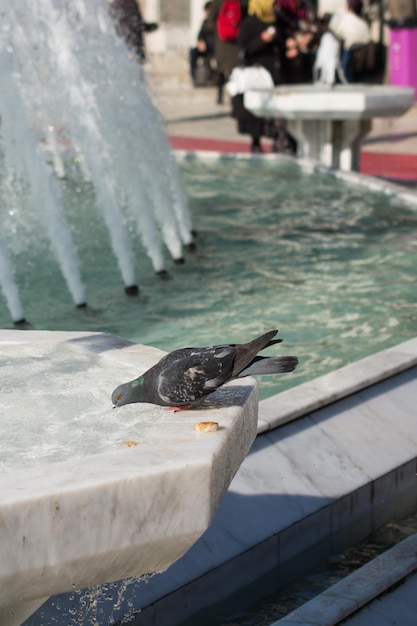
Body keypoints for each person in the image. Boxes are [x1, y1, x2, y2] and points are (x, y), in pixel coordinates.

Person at [230, 0, 296, 153]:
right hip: (259, 75)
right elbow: (244, 50)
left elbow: (284, 37)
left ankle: (280, 141)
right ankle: (256, 142)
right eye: (271, 5)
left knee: (279, 111)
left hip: (277, 73)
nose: (274, 8)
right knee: (257, 113)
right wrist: (261, 40)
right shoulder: (249, 24)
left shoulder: (278, 20)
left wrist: (290, 44)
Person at [209, 0, 248, 104]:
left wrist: (220, 29)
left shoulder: (217, 2)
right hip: (237, 39)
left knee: (221, 69)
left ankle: (220, 96)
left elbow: (211, 20)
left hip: (222, 39)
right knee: (235, 69)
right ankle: (235, 98)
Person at [328, 0, 370, 82]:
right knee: (349, 61)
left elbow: (336, 30)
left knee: (346, 63)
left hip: (351, 42)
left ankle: (348, 81)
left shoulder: (343, 16)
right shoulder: (358, 19)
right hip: (363, 41)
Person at [189, 2, 216, 86]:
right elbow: (200, 35)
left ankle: (212, 76)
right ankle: (194, 77)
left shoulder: (217, 21)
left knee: (209, 56)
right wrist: (201, 42)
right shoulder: (205, 22)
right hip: (205, 46)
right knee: (193, 52)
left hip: (215, 46)